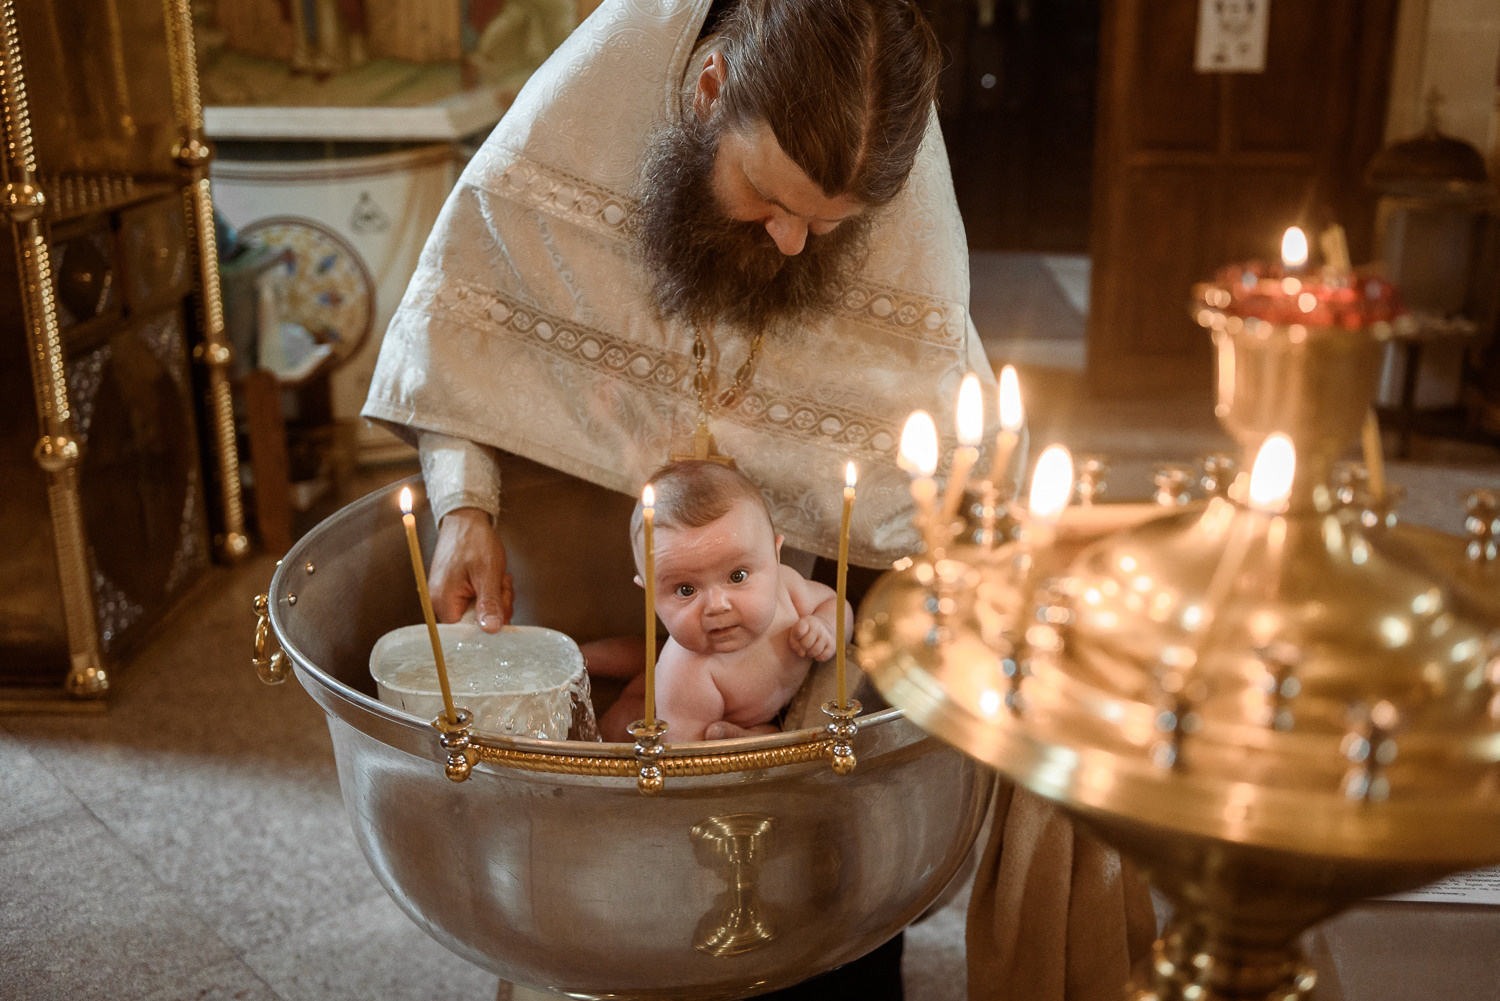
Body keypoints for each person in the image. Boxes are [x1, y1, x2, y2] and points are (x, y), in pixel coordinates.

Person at [363, 0, 1153, 997]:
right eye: (767, 196)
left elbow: (940, 457)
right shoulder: (589, 105)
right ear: (706, 94)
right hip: (620, 557)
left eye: (829, 226)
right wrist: (465, 501)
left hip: (803, 657)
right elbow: (475, 317)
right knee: (612, 902)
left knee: (831, 906)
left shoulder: (890, 188)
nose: (789, 244)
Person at [594, 460, 845, 743]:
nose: (717, 605)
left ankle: (585, 658)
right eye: (686, 590)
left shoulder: (787, 588)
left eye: (737, 576)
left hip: (761, 710)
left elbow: (836, 605)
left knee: (648, 656)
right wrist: (757, 738)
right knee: (619, 723)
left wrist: (826, 627)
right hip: (655, 709)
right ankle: (578, 659)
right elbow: (690, 765)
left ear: (775, 557)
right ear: (648, 594)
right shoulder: (687, 676)